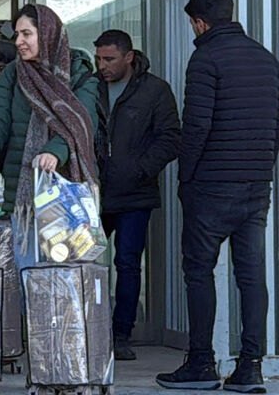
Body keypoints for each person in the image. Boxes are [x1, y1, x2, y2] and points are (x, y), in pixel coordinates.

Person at [157, 0, 279, 394]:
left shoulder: (205, 58)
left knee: (199, 273)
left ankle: (201, 364)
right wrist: (261, 167)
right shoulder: (266, 59)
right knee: (251, 277)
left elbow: (196, 126)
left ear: (199, 22)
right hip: (255, 187)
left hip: (211, 185)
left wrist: (186, 178)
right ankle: (251, 367)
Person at [0, 3, 101, 223]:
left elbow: (81, 124)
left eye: (27, 34)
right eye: (17, 35)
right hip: (22, 195)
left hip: (69, 195)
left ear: (47, 35)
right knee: (26, 256)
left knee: (66, 257)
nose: (18, 42)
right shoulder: (13, 74)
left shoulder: (79, 74)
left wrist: (54, 153)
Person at [93, 29, 181, 362]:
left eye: (110, 59)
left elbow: (171, 138)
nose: (103, 66)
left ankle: (121, 334)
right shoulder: (91, 87)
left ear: (129, 57)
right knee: (86, 264)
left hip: (134, 194)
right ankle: (89, 330)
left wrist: (141, 170)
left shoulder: (154, 90)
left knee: (127, 265)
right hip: (94, 192)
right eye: (99, 58)